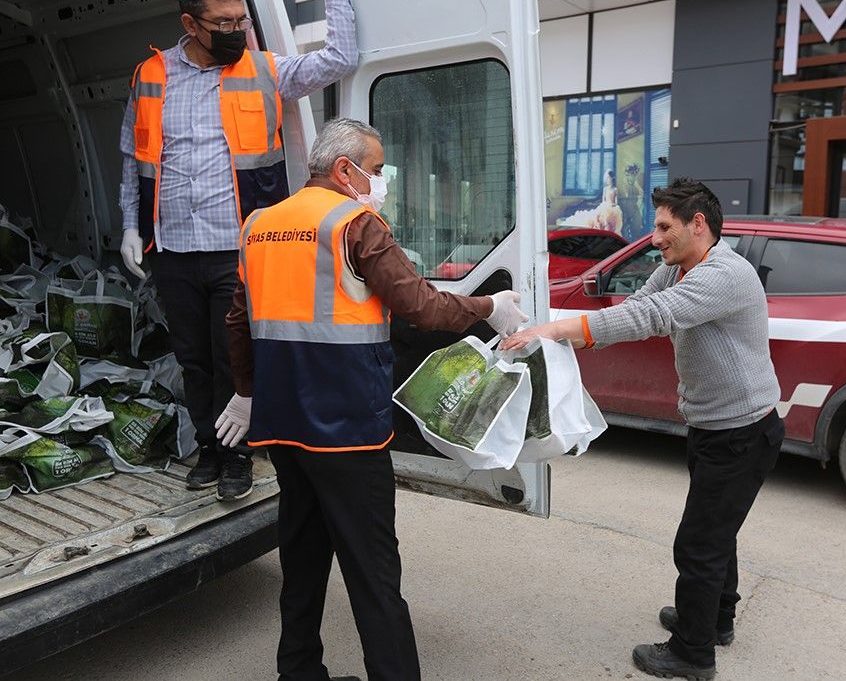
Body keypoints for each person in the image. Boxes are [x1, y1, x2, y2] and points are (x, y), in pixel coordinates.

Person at [214, 118, 527, 681]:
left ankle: (299, 671)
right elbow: (422, 307)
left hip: (284, 426)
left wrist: (245, 393)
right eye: (377, 170)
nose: (380, 181)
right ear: (345, 170)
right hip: (348, 431)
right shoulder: (357, 224)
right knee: (374, 572)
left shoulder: (260, 224)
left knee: (302, 558)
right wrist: (489, 308)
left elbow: (239, 318)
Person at [502, 178, 784, 680]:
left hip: (742, 432)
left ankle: (692, 654)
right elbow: (631, 309)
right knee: (718, 533)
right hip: (715, 426)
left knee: (698, 544)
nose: (654, 238)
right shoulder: (677, 268)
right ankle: (715, 619)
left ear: (699, 224)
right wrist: (554, 326)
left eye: (663, 227)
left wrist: (558, 332)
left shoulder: (724, 275)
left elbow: (654, 317)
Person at [117, 0, 358, 500]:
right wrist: (130, 227)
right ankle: (208, 447)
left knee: (233, 356)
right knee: (193, 358)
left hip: (237, 248)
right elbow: (132, 158)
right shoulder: (151, 74)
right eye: (222, 24)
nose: (235, 31)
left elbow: (340, 58)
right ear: (190, 24)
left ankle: (238, 456)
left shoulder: (266, 70)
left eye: (240, 21)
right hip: (174, 246)